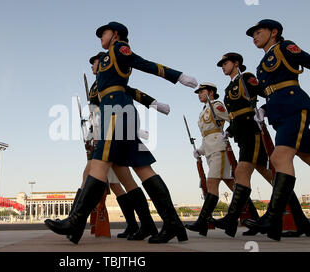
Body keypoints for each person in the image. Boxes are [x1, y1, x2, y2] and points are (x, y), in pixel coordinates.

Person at [45, 21, 197, 244]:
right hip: (118, 112)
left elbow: (143, 64)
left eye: (103, 33)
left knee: (98, 164)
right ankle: (172, 222)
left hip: (116, 113)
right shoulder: (109, 60)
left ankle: (75, 222)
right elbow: (128, 89)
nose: (100, 38)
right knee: (143, 168)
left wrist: (178, 76)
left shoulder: (118, 50)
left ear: (115, 34)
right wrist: (153, 103)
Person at [243, 19, 310, 241]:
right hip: (280, 113)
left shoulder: (284, 47)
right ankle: (303, 227)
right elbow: (268, 91)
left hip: (293, 107)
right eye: (253, 34)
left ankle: (272, 216)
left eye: (258, 32)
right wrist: (263, 107)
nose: (254, 36)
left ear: (274, 32)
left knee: (279, 157)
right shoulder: (262, 63)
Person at [208, 53, 274, 237]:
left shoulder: (246, 78)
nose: (223, 66)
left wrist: (264, 109)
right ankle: (295, 218)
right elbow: (234, 113)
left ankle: (231, 218)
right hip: (242, 132)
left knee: (241, 172)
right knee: (270, 175)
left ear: (236, 63)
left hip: (252, 130)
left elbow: (267, 92)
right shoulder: (230, 86)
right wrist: (229, 130)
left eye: (225, 63)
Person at [184, 83, 237, 236]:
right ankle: (236, 222)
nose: (199, 94)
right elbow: (207, 134)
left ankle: (202, 222)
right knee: (233, 184)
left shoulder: (216, 105)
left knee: (212, 182)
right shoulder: (204, 110)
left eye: (202, 91)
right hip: (210, 150)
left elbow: (231, 118)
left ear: (211, 92)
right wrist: (199, 150)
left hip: (219, 148)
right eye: (199, 92)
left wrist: (228, 132)